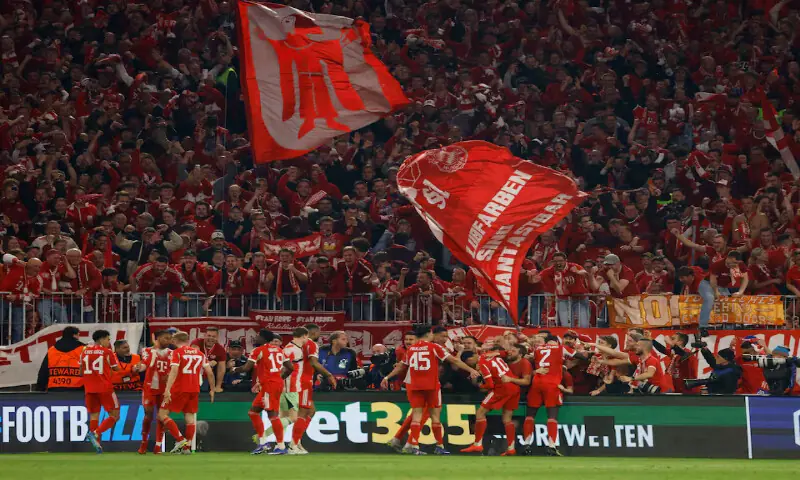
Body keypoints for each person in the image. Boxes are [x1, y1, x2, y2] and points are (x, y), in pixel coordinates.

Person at [381, 326, 479, 455]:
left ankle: (413, 445)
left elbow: (401, 366)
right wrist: (471, 370)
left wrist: (388, 377)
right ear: (429, 334)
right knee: (435, 416)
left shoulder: (411, 349)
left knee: (416, 416)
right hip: (431, 386)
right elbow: (454, 360)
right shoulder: (434, 347)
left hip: (415, 385)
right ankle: (439, 446)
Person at [234, 329, 294, 455]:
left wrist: (234, 369)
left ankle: (281, 446)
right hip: (271, 384)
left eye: (258, 336)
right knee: (253, 412)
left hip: (269, 386)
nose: (256, 337)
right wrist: (278, 378)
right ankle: (263, 443)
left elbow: (246, 368)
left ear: (263, 338)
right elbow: (290, 367)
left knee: (272, 415)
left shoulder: (258, 350)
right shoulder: (279, 350)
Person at [158, 331, 216, 455]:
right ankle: (187, 447)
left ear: (175, 341)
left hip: (179, 388)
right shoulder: (200, 354)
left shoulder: (177, 353)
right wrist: (212, 389)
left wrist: (167, 389)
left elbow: (174, 371)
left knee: (162, 414)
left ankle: (180, 440)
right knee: (189, 418)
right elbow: (210, 372)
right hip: (194, 389)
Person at [284, 324, 337, 455]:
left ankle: (297, 441)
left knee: (311, 411)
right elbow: (313, 362)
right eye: (319, 332)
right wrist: (329, 374)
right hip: (302, 381)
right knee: (303, 412)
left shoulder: (296, 344)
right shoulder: (311, 344)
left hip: (298, 380)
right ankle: (293, 444)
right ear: (314, 332)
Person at [461, 345, 521, 456]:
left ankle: (477, 444)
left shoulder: (482, 363)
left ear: (471, 359)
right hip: (514, 387)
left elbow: (490, 384)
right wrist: (497, 353)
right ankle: (511, 448)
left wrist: (480, 386)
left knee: (480, 413)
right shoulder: (490, 355)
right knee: (507, 418)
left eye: (468, 362)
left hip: (502, 388)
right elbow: (506, 353)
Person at [522, 334, 565, 457]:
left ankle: (526, 444)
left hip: (536, 382)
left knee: (530, 415)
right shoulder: (560, 348)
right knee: (552, 416)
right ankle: (551, 446)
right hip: (551, 384)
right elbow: (579, 354)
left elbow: (528, 356)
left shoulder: (537, 349)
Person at [81, 330, 121, 454]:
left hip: (89, 388)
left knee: (94, 416)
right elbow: (117, 368)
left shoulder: (84, 351)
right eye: (108, 339)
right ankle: (95, 433)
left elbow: (80, 370)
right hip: (105, 388)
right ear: (101, 339)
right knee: (115, 415)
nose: (109, 342)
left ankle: (97, 445)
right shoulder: (107, 352)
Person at [138, 330, 173, 455]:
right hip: (150, 388)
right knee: (148, 415)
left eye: (169, 338)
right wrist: (138, 367)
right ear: (157, 339)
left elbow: (174, 370)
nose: (168, 341)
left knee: (161, 417)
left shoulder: (171, 353)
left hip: (164, 390)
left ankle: (158, 446)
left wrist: (169, 376)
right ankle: (143, 442)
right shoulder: (147, 351)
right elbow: (145, 365)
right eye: (165, 338)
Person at [36, 326, 85, 391]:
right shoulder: (83, 349)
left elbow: (43, 372)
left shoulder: (52, 350)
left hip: (55, 389)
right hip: (77, 389)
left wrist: (40, 389)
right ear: (75, 335)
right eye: (78, 335)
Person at [191, 327, 227, 393]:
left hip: (206, 377)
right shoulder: (196, 343)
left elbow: (221, 369)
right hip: (192, 375)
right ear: (204, 336)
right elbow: (194, 358)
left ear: (217, 338)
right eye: (209, 336)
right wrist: (207, 363)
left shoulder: (220, 349)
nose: (211, 338)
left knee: (204, 390)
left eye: (214, 336)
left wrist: (218, 386)